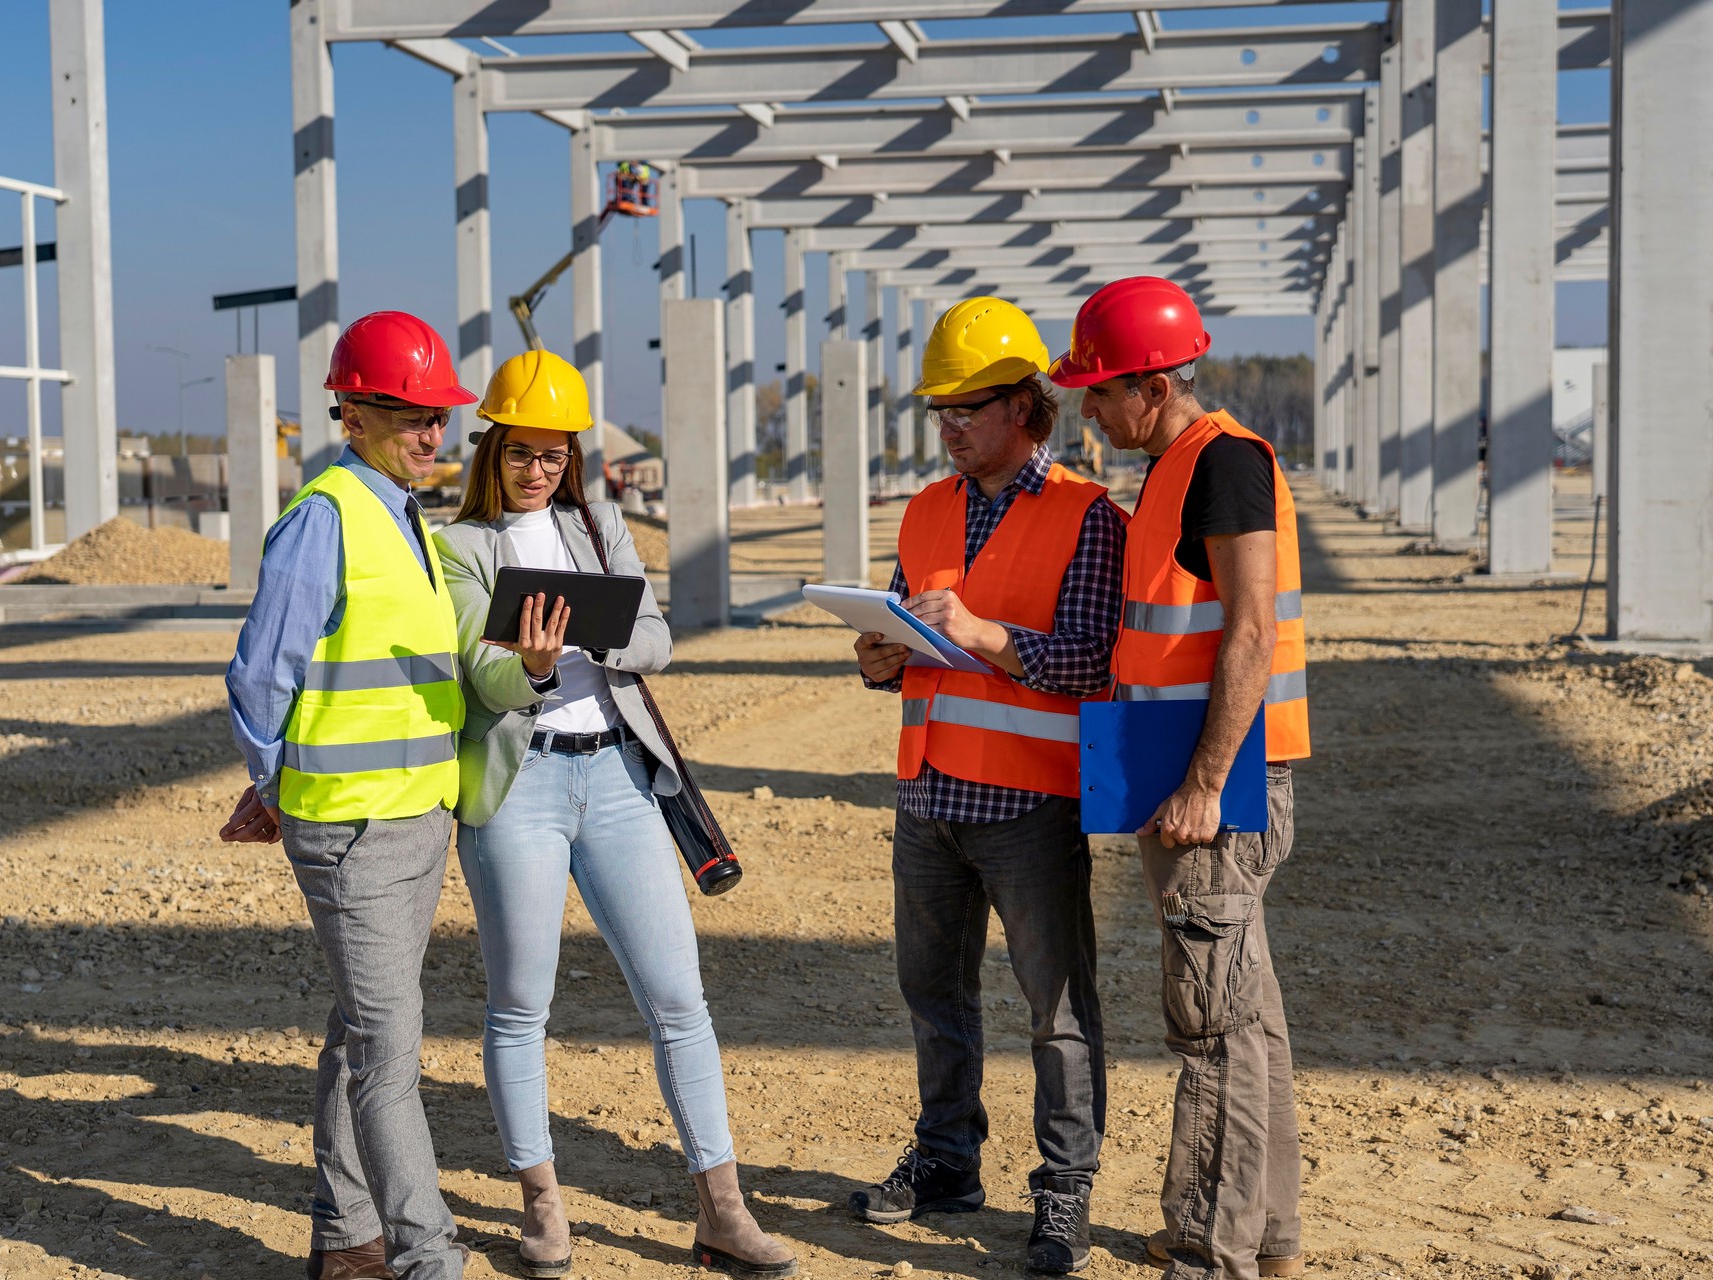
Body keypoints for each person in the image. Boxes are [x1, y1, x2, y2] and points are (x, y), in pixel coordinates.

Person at [433, 349, 798, 1280]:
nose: (538, 470)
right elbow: (483, 675)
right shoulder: (460, 546)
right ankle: (543, 1206)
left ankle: (723, 1206)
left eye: (555, 456)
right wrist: (540, 666)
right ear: (491, 448)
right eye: (522, 453)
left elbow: (658, 640)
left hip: (619, 782)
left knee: (680, 1000)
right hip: (520, 789)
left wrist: (591, 632)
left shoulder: (599, 530)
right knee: (521, 1007)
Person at [848, 297, 1126, 1275]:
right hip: (929, 796)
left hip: (1030, 805)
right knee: (933, 994)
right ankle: (947, 1161)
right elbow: (910, 645)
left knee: (1056, 1009)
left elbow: (1094, 660)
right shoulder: (925, 508)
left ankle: (1063, 1195)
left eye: (969, 406)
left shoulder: (1090, 517)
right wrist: (880, 656)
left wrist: (984, 637)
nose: (951, 425)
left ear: (1025, 406)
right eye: (941, 410)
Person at [1050, 277, 1310, 1280]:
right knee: (1248, 1015)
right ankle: (1268, 1235)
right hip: (1187, 773)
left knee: (1212, 1026)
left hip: (1219, 783)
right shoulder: (1170, 466)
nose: (1088, 410)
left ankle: (1213, 1245)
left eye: (1099, 392)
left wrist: (1203, 782)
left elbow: (1246, 629)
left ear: (1150, 386)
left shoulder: (1225, 464)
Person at [219, 310, 477, 1280]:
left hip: (417, 815)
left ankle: (346, 1237)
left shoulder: (406, 513)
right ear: (355, 410)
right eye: (412, 413)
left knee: (359, 1028)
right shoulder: (323, 517)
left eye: (438, 415)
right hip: (354, 827)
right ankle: (427, 1257)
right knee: (389, 1054)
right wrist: (275, 786)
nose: (431, 432)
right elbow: (257, 677)